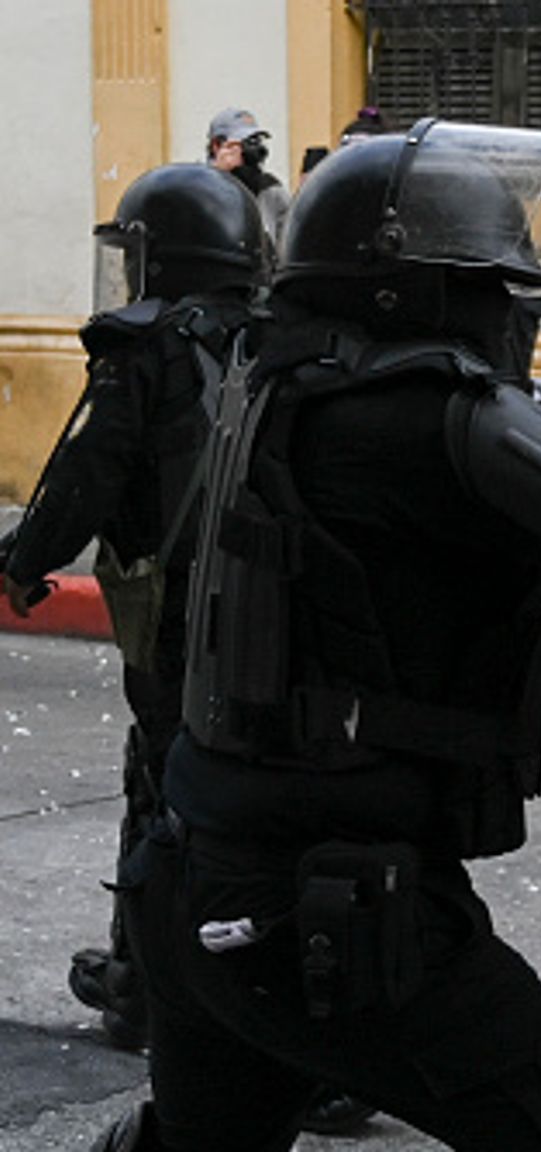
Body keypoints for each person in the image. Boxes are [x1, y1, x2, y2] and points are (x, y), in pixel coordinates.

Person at [88, 120, 541, 1152]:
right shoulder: (424, 405)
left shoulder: (291, 375)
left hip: (204, 871)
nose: (509, 306)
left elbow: (461, 481)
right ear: (415, 287)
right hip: (328, 906)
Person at [1, 162, 264, 1051]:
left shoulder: (141, 347)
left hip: (178, 609)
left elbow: (87, 473)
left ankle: (149, 985)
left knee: (162, 785)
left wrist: (25, 561)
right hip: (269, 605)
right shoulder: (278, 335)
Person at [205, 108, 290, 257]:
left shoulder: (270, 189)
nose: (253, 150)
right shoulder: (199, 186)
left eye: (256, 142)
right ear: (217, 146)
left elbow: (287, 244)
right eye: (244, 143)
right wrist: (220, 176)